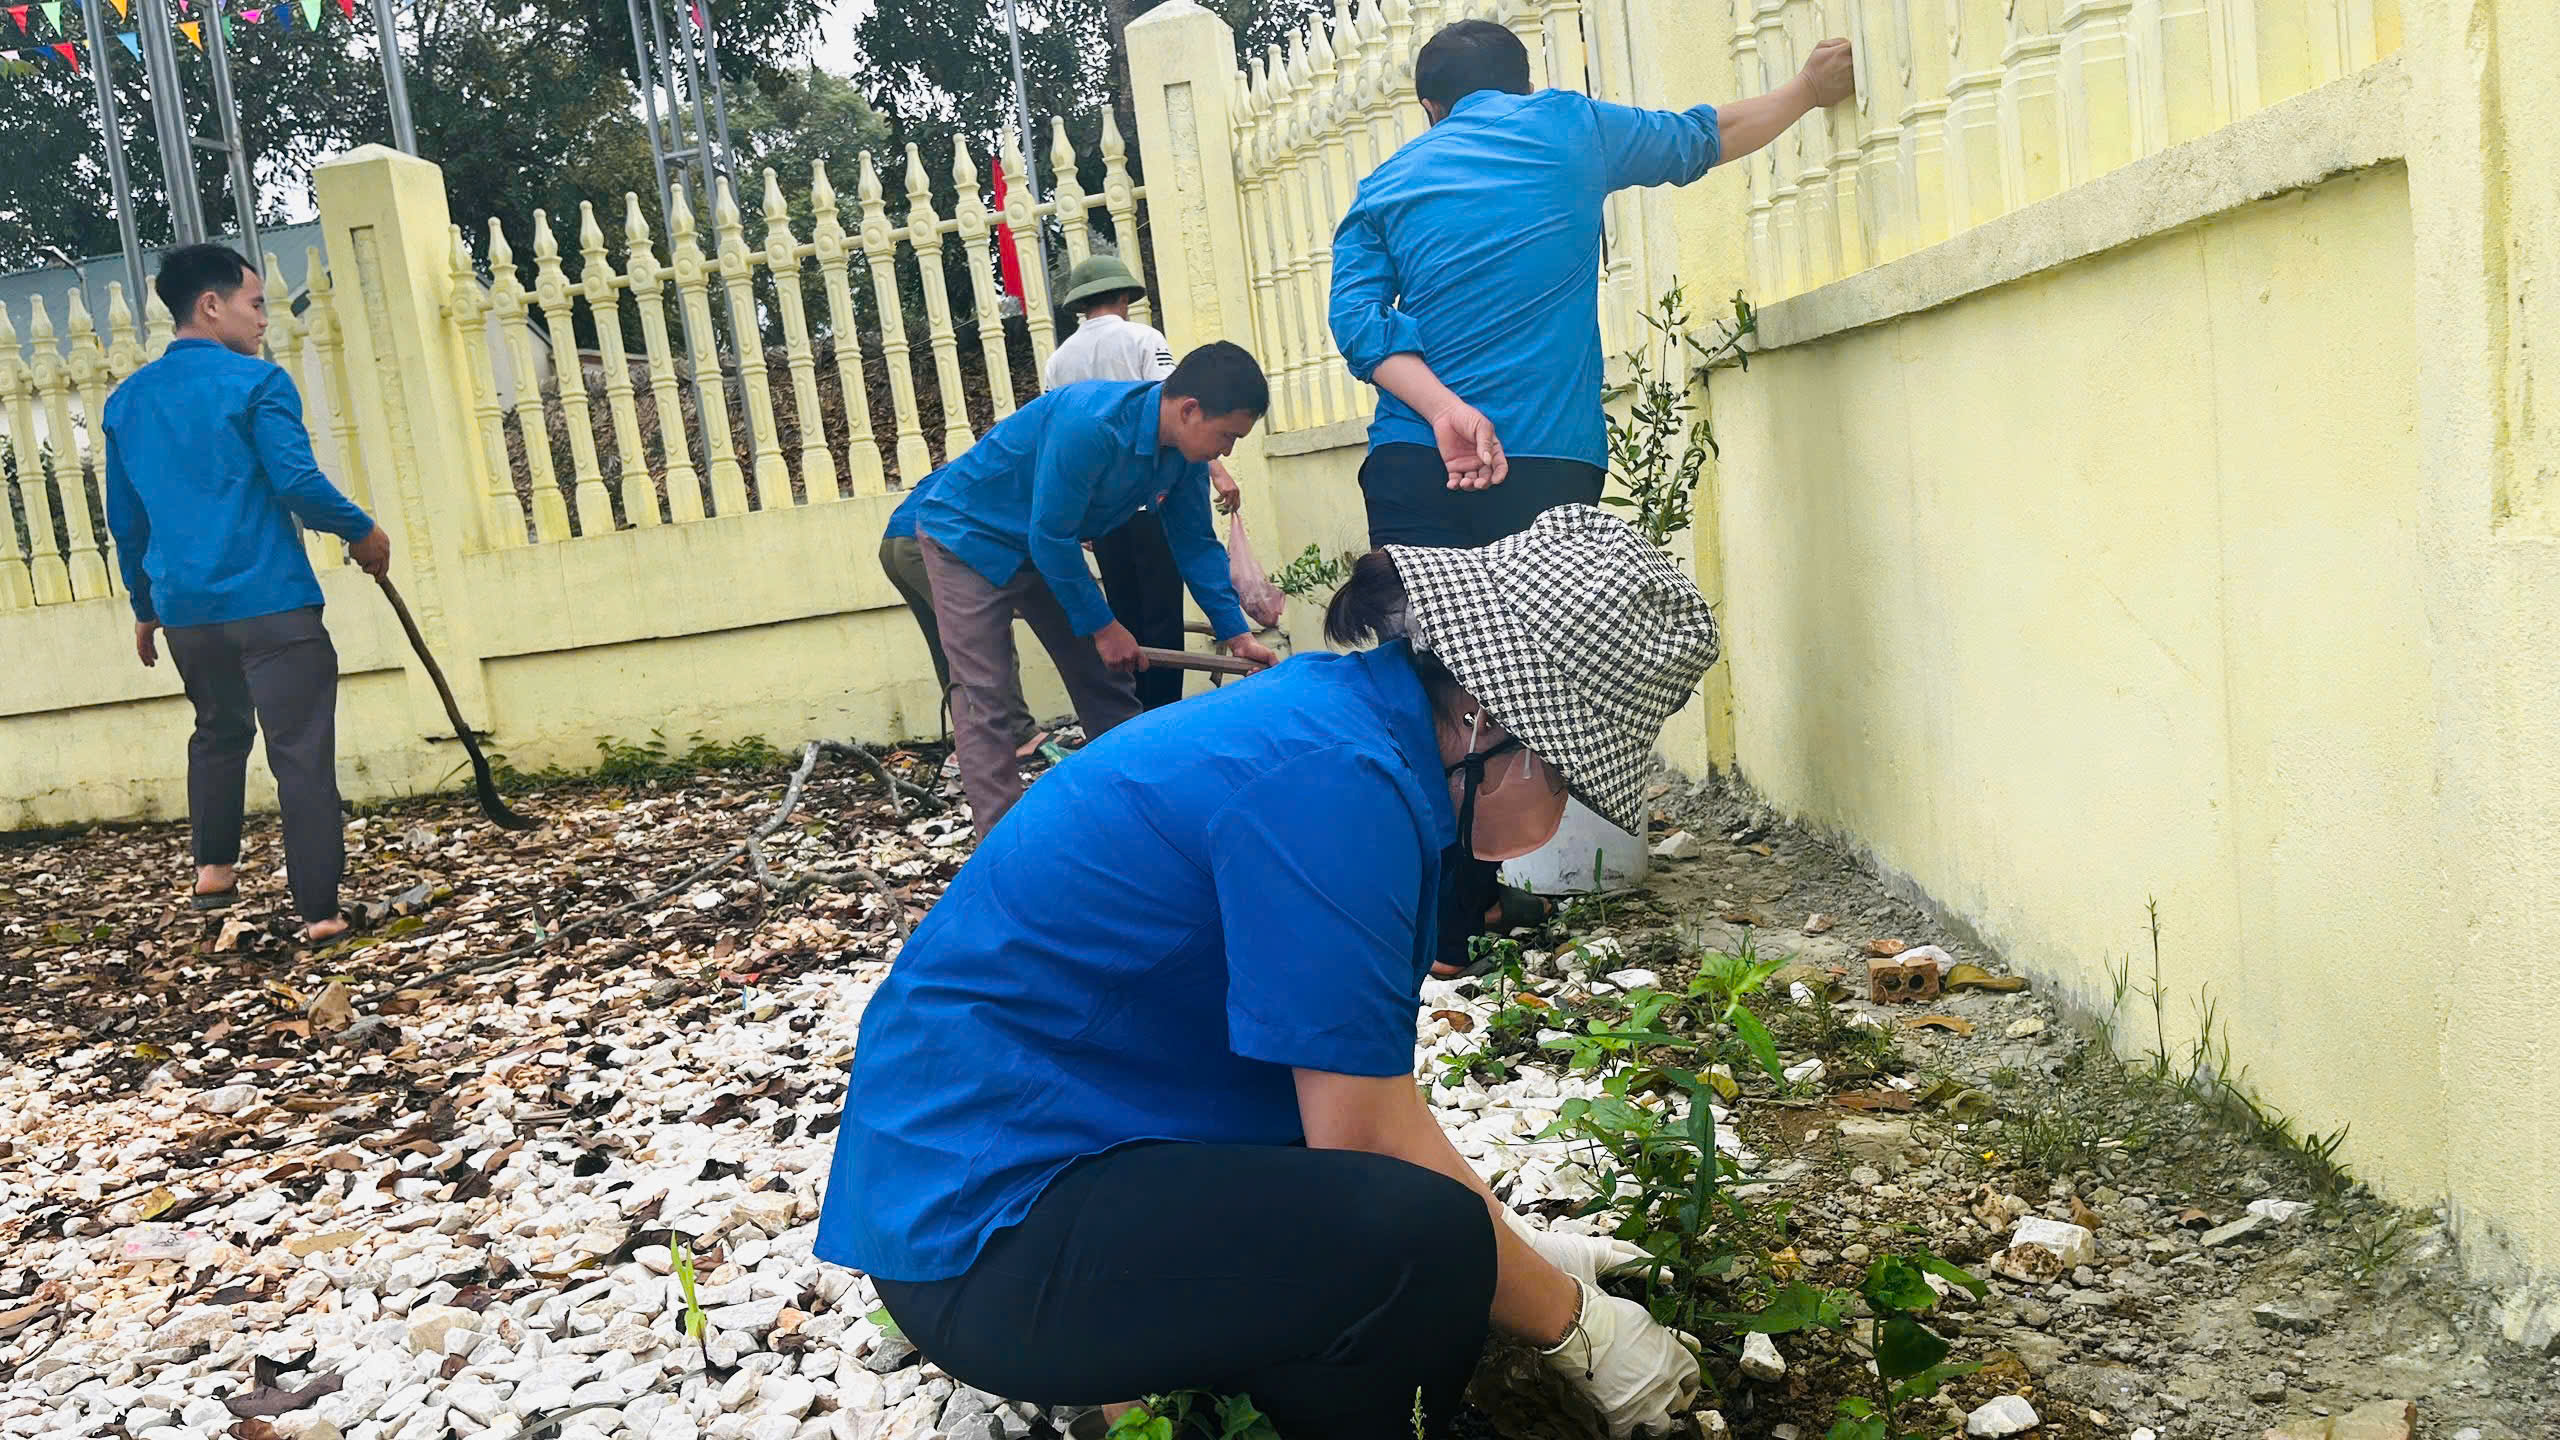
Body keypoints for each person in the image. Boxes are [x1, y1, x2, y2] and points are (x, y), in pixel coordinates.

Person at [816, 504, 1723, 1440]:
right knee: (1422, 1250)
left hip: (1018, 1164)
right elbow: (1362, 1138)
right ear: (1492, 722)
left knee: (1437, 1236)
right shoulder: (1336, 787)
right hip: (988, 1234)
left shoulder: (1347, 725)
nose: (1564, 806)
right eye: (1567, 775)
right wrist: (1574, 1326)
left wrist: (1521, 1250)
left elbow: (1348, 1093)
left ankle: (1189, 1386)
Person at [1327, 18, 1852, 975]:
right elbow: (1704, 137)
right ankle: (1490, 892)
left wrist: (1443, 409)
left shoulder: (1388, 183)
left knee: (1421, 682)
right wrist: (1807, 91)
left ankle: (1436, 921)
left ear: (1431, 108)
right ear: (1522, 87)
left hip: (1414, 455)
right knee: (1526, 678)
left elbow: (1358, 324)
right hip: (1543, 460)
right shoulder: (1569, 128)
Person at [102, 243, 393, 944]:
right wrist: (362, 531)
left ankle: (214, 871)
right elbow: (296, 482)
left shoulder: (126, 402)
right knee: (299, 752)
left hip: (188, 613)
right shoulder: (258, 383)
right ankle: (320, 913)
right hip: (272, 603)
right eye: (255, 304)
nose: (264, 319)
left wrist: (145, 606)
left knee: (218, 730)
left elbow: (127, 521)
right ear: (211, 305)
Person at [916, 340, 1280, 834]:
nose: (1227, 451)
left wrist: (1236, 634)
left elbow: (1195, 544)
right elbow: (1051, 537)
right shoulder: (1092, 426)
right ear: (1190, 410)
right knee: (987, 699)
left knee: (1106, 679)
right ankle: (1002, 847)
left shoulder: (1183, 456)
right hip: (969, 536)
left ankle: (1141, 816)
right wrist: (1104, 627)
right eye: (1227, 435)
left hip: (1043, 544)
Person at [1044, 253, 1245, 712]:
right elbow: (1181, 416)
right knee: (1162, 617)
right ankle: (1164, 710)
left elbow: (1059, 433)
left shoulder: (1058, 360)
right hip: (1151, 497)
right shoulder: (1143, 339)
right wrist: (1217, 471)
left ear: (1082, 303)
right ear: (1123, 296)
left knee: (1123, 617)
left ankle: (1132, 711)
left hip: (1100, 508)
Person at [878, 475, 1050, 759]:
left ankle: (972, 743)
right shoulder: (1041, 473)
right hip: (932, 538)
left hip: (895, 541)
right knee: (989, 635)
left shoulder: (986, 461)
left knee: (948, 644)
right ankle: (1020, 735)